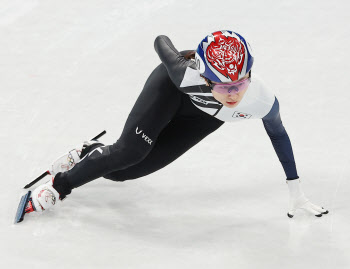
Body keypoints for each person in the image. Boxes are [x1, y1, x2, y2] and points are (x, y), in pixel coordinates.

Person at [24, 30, 328, 218]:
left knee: (122, 175)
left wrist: (295, 187)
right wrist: (183, 57)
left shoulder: (261, 99)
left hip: (203, 119)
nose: (233, 94)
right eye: (223, 86)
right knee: (130, 151)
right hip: (169, 92)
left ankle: (91, 150)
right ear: (205, 77)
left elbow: (278, 134)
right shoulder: (184, 73)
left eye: (240, 84)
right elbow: (161, 40)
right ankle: (60, 186)